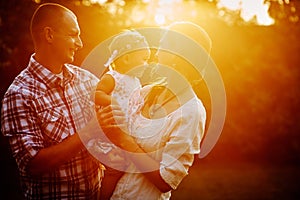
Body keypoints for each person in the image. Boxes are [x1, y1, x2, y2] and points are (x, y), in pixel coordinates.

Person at [1, 3, 104, 199]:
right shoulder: (19, 94)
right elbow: (32, 164)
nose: (80, 43)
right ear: (49, 35)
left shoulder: (87, 80)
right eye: (73, 34)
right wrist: (89, 132)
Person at [97, 21, 209, 199]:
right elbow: (115, 127)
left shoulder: (191, 112)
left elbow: (166, 181)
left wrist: (124, 141)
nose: (155, 53)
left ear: (176, 55)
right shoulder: (145, 92)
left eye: (162, 45)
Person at [91, 30, 151, 199]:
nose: (146, 64)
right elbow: (97, 93)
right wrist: (112, 101)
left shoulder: (136, 82)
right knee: (114, 169)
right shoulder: (113, 77)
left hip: (127, 132)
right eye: (143, 59)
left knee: (126, 165)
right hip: (112, 131)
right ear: (126, 58)